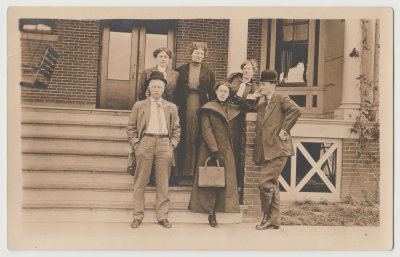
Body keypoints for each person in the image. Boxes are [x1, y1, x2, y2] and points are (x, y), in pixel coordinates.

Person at [127, 71, 181, 229]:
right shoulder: (139, 105)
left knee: (163, 182)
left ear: (164, 89)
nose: (157, 89)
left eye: (160, 86)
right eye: (154, 86)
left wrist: (172, 145)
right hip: (146, 143)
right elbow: (130, 128)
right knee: (140, 183)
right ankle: (137, 215)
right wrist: (136, 145)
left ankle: (162, 216)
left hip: (164, 143)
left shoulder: (171, 107)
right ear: (149, 88)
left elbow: (177, 129)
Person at [189, 81, 246, 228]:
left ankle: (222, 208)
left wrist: (239, 98)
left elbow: (250, 108)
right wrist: (214, 149)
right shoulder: (208, 108)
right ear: (216, 92)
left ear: (229, 94)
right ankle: (210, 212)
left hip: (228, 150)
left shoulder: (232, 108)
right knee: (211, 181)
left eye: (226, 92)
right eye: (220, 91)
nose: (222, 94)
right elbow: (206, 130)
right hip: (210, 150)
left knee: (225, 181)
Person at [252, 69, 301, 230]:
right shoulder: (262, 103)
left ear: (273, 85)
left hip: (279, 149)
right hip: (268, 151)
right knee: (273, 185)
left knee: (264, 184)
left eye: (264, 84)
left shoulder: (281, 98)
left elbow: (296, 110)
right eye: (260, 84)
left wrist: (284, 130)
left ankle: (266, 217)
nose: (261, 87)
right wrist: (255, 96)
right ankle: (274, 220)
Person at [174, 42, 216, 185]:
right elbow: (176, 91)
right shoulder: (181, 70)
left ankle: (195, 173)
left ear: (204, 56)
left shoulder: (208, 72)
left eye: (201, 53)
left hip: (201, 106)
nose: (199, 55)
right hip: (185, 106)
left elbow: (212, 93)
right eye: (196, 52)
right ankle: (182, 173)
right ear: (191, 53)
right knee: (185, 136)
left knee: (198, 137)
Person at [136, 47, 179, 186]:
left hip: (169, 111)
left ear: (169, 59)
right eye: (160, 56)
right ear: (156, 57)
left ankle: (165, 178)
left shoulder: (175, 74)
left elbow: (178, 93)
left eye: (166, 57)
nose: (163, 59)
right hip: (150, 110)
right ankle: (148, 178)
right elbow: (140, 92)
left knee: (165, 149)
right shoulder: (146, 72)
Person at [227, 59, 260, 202]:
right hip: (229, 116)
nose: (247, 71)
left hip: (242, 119)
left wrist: (241, 101)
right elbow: (228, 95)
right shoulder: (234, 80)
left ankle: (237, 182)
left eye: (250, 69)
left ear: (254, 72)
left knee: (239, 149)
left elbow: (253, 106)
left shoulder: (255, 87)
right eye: (245, 68)